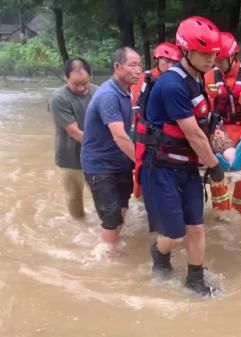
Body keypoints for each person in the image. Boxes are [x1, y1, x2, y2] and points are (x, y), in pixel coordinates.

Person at [139, 16, 225, 296]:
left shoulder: (198, 79)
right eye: (205, 53)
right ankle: (158, 253)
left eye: (214, 53)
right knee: (175, 234)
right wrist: (214, 166)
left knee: (197, 228)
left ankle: (195, 281)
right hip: (162, 167)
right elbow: (193, 135)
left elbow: (204, 124)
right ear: (186, 50)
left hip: (187, 168)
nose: (211, 58)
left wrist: (218, 137)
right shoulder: (172, 85)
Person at [81, 47, 141, 252]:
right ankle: (103, 258)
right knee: (112, 213)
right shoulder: (108, 95)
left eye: (139, 65)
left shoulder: (126, 93)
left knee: (123, 207)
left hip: (119, 162)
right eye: (132, 65)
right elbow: (119, 135)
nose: (138, 70)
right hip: (100, 166)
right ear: (117, 67)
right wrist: (141, 162)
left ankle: (112, 243)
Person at [204, 32, 241, 213]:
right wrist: (215, 131)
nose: (217, 62)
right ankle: (222, 214)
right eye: (215, 58)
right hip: (220, 128)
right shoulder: (209, 77)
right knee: (217, 180)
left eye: (221, 59)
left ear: (233, 56)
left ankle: (238, 214)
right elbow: (207, 109)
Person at [131, 42, 182, 198]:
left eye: (173, 62)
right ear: (157, 60)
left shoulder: (179, 80)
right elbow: (135, 106)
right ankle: (139, 201)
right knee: (140, 172)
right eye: (165, 60)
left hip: (169, 135)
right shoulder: (144, 79)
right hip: (145, 134)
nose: (169, 65)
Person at [48, 57, 97, 219]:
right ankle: (79, 226)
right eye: (76, 84)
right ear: (66, 78)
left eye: (85, 82)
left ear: (90, 76)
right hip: (70, 157)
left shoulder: (98, 92)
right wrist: (103, 147)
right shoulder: (58, 98)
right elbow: (75, 132)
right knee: (74, 196)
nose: (82, 87)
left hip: (96, 156)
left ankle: (106, 225)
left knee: (102, 193)